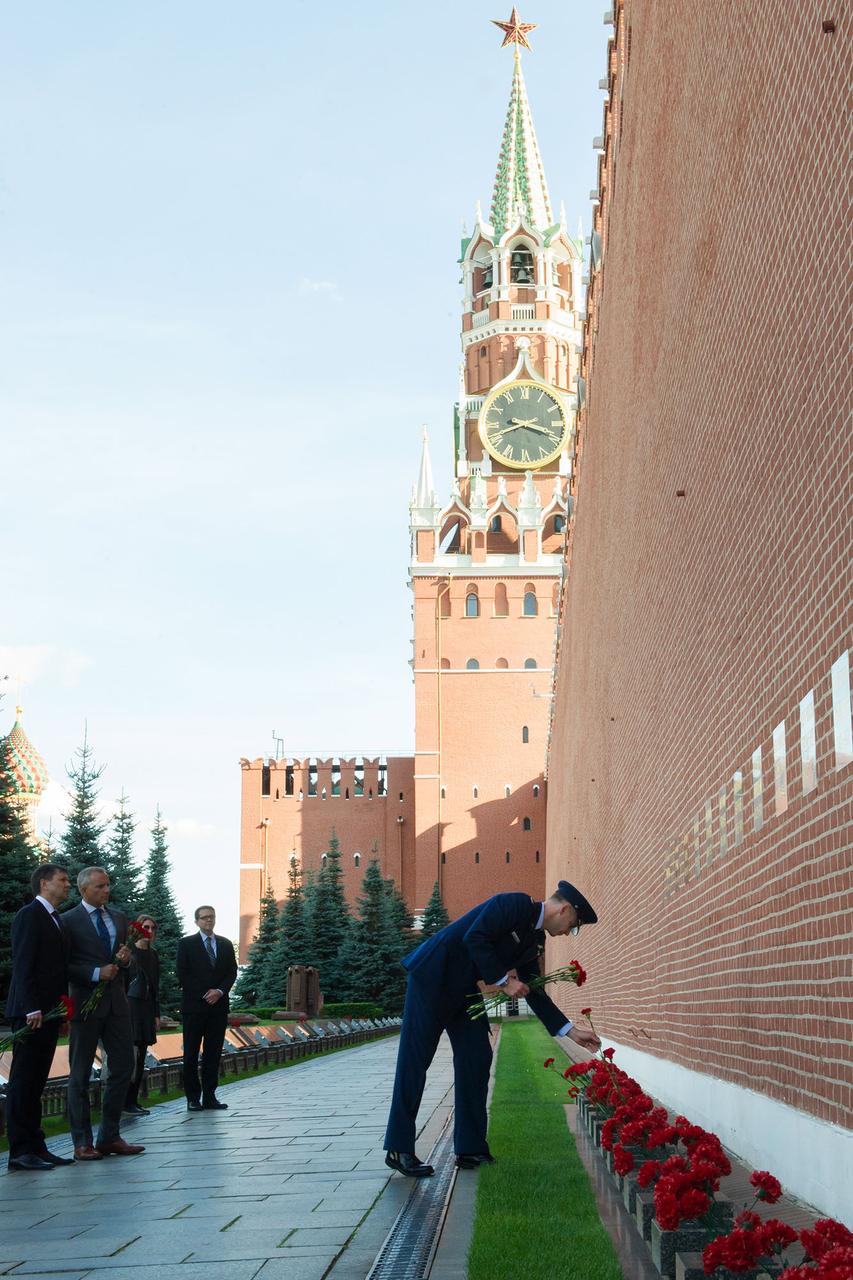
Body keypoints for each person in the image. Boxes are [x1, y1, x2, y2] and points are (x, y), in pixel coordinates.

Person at [384, 880, 601, 1177]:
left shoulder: (535, 940)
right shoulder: (514, 904)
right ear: (564, 910)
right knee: (415, 1061)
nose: (567, 933)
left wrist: (571, 1031)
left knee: (476, 1057)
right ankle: (399, 1148)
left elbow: (534, 991)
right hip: (432, 977)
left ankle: (470, 1148)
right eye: (573, 925)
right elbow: (476, 937)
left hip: (463, 991)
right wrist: (504, 981)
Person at [64, 866, 145, 1159]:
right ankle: (81, 1142)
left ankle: (109, 1136)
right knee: (80, 1074)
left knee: (124, 1066)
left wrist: (125, 961)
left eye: (108, 885)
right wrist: (96, 973)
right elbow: (64, 966)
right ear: (84, 889)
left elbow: (131, 965)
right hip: (85, 1006)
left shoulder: (119, 918)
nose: (106, 890)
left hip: (117, 1006)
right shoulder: (68, 921)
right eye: (100, 886)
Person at [4, 863, 74, 1171]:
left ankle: (37, 1145)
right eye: (63, 880)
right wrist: (32, 1007)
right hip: (31, 1013)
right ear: (45, 884)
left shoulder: (54, 918)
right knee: (24, 1082)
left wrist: (60, 1011)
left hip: (48, 1013)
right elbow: (24, 963)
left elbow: (56, 970)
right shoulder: (30, 915)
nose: (67, 885)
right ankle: (20, 1151)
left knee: (36, 1084)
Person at [176, 905, 237, 1111]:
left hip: (218, 1008)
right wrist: (206, 993)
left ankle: (210, 1096)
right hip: (195, 1007)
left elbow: (231, 972)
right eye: (204, 918)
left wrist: (219, 991)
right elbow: (183, 974)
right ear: (196, 921)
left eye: (211, 917)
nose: (208, 921)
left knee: (213, 1054)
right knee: (191, 1054)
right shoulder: (186, 944)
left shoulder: (225, 944)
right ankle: (193, 1098)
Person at [123, 913, 161, 1118]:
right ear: (137, 929)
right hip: (131, 1007)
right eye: (146, 927)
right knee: (132, 1055)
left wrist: (157, 1014)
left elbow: (156, 987)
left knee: (141, 1055)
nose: (150, 931)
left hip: (147, 1009)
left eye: (153, 928)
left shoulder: (153, 955)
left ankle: (132, 1100)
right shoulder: (131, 952)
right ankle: (125, 1102)